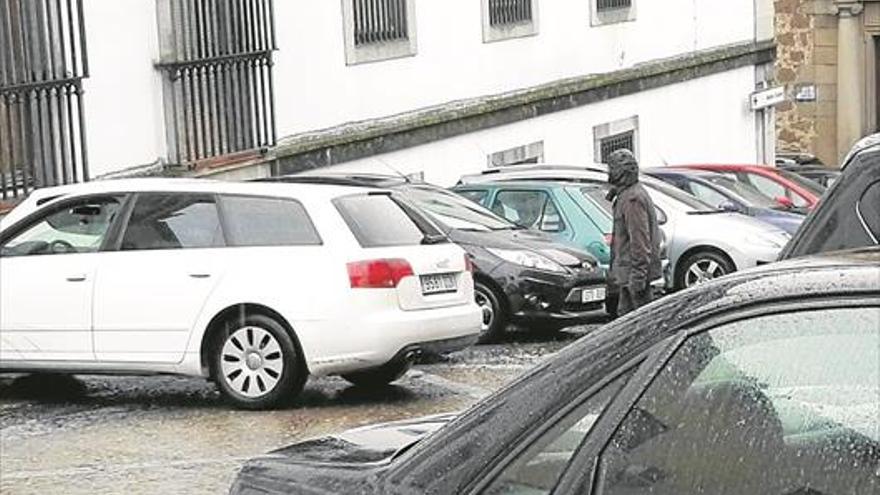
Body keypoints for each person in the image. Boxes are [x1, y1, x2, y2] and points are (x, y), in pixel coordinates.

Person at [605, 149, 662, 315]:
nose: (609, 173)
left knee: (639, 328)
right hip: (627, 277)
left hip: (634, 279)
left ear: (620, 172)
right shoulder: (625, 195)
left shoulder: (632, 199)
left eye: (612, 169)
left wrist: (637, 279)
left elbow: (640, 242)